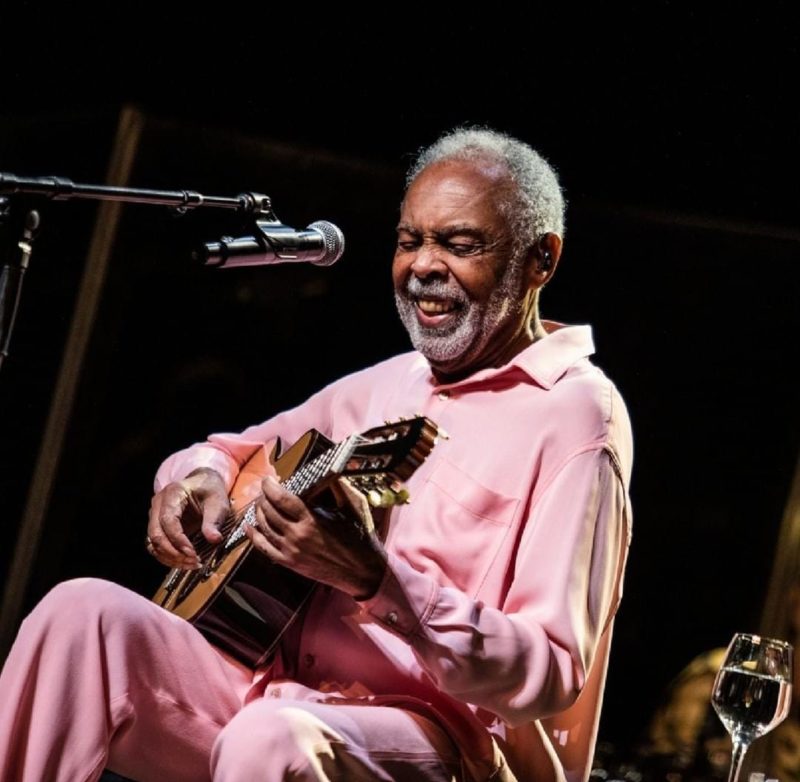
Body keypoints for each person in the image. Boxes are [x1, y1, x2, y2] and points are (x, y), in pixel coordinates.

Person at [0, 126, 634, 782]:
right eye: (409, 240)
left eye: (459, 244)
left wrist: (377, 581)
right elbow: (229, 450)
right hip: (277, 693)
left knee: (271, 739)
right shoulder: (391, 382)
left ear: (541, 261)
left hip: (449, 742)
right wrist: (197, 479)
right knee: (79, 615)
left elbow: (550, 669)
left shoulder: (576, 415)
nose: (422, 265)